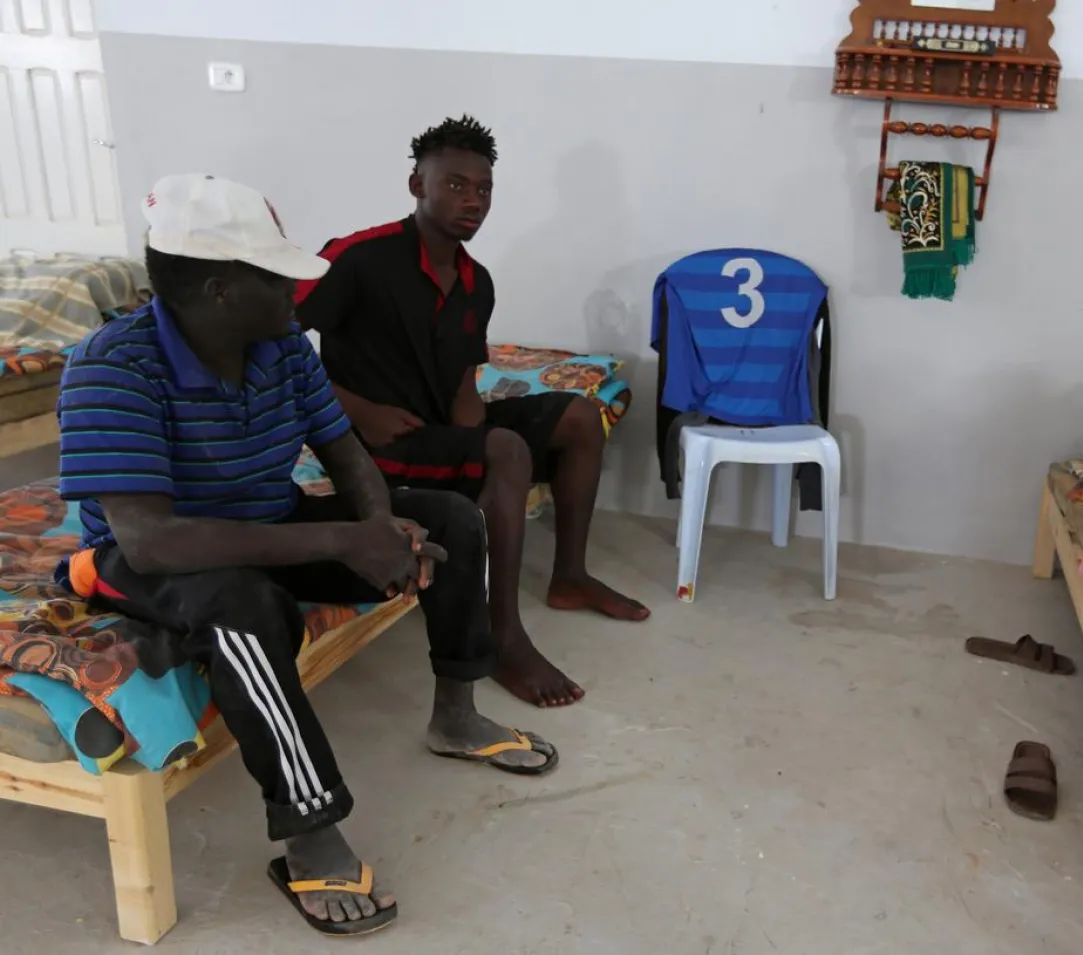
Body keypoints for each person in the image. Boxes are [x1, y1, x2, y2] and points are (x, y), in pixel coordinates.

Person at [56, 174, 559, 936]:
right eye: (278, 275)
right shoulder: (111, 367)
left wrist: (383, 528)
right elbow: (152, 539)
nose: (299, 287)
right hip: (158, 558)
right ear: (221, 290)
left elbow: (345, 450)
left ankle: (456, 715)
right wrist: (339, 539)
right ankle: (309, 826)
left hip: (269, 519)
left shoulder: (281, 343)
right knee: (244, 605)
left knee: (452, 520)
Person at [295, 115, 647, 710]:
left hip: (435, 429)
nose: (473, 201)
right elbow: (275, 341)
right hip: (372, 443)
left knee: (580, 417)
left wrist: (476, 439)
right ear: (417, 185)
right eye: (455, 185)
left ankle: (568, 578)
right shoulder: (356, 257)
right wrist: (356, 408)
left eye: (483, 189)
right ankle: (502, 635)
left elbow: (464, 380)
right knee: (505, 451)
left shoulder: (474, 280)